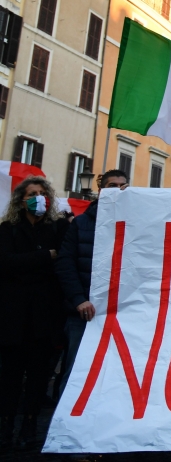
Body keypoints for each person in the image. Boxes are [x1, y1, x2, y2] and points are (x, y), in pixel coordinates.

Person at [0, 177, 70, 448]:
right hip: (13, 315)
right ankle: (7, 425)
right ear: (21, 200)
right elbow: (5, 263)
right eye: (32, 194)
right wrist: (44, 256)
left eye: (42, 193)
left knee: (39, 374)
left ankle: (29, 424)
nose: (39, 198)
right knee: (11, 375)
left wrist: (28, 262)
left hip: (45, 315)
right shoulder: (8, 229)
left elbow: (60, 260)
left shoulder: (59, 227)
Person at [53, 169, 128, 399]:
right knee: (77, 371)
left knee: (116, 373)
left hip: (123, 315)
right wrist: (79, 300)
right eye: (112, 186)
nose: (118, 190)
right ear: (101, 190)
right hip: (85, 315)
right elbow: (65, 264)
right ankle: (65, 427)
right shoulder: (81, 224)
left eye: (123, 186)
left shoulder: (138, 222)